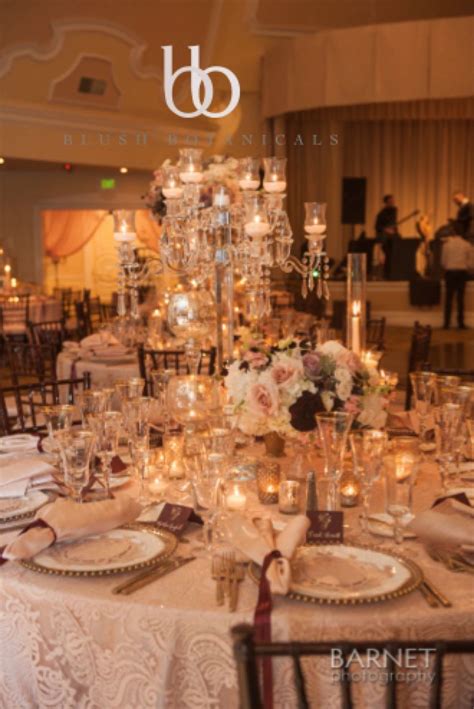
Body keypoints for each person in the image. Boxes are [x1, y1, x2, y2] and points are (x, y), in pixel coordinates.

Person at [441, 232, 471, 329]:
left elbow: (443, 261)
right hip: (462, 273)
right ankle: (460, 323)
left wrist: (447, 267)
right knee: (460, 299)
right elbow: (471, 262)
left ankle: (446, 323)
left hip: (450, 273)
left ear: (453, 234)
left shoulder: (446, 245)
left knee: (448, 299)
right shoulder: (467, 244)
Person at [375, 194, 398, 279]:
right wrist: (386, 230)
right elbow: (377, 227)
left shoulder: (394, 211)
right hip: (385, 239)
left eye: (393, 201)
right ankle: (387, 274)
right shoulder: (381, 214)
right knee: (388, 255)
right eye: (390, 201)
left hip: (393, 238)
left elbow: (394, 225)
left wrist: (394, 232)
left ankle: (394, 273)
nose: (393, 203)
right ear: (386, 202)